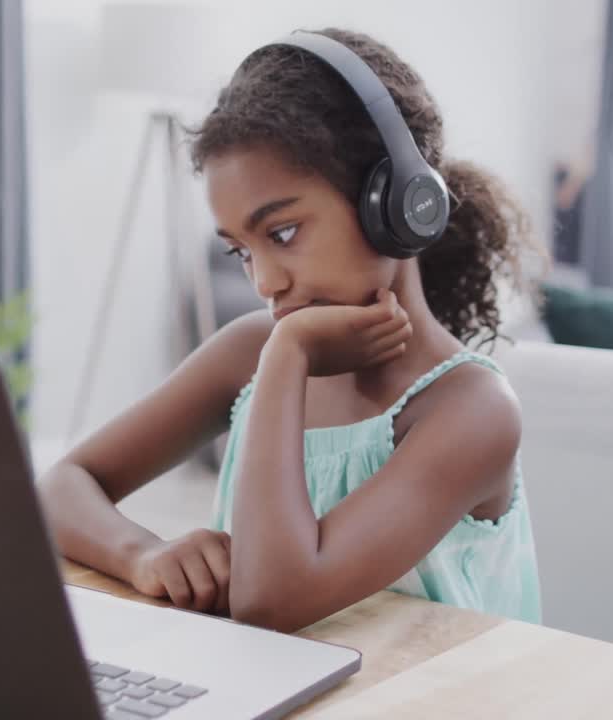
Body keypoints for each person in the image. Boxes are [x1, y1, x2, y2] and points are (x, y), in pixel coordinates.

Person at [39, 27, 544, 632]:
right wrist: (141, 554)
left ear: (397, 207)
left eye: (281, 234)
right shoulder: (245, 350)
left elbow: (271, 601)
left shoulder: (471, 410)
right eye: (241, 252)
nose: (264, 283)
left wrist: (288, 355)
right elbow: (62, 486)